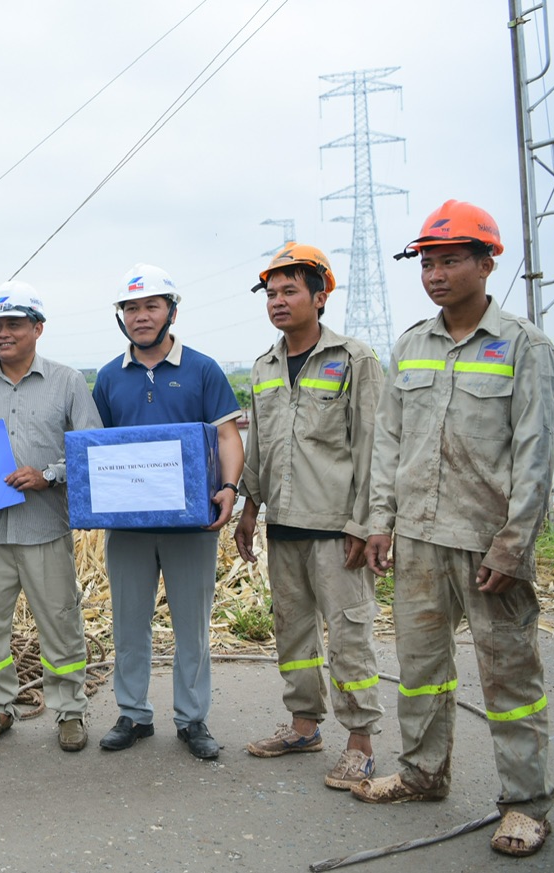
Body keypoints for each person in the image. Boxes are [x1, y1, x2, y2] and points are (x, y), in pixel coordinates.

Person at [354, 201, 554, 859]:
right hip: (416, 538)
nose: (436, 274)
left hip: (486, 541)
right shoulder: (411, 343)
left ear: (486, 262)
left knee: (508, 677)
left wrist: (513, 541)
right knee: (420, 671)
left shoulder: (524, 345)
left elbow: (534, 453)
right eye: (429, 262)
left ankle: (524, 804)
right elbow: (389, 442)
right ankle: (422, 772)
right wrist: (380, 522)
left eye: (450, 260)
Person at [233, 244, 384, 788]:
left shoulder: (355, 359)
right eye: (271, 293)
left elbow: (373, 449)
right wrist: (249, 510)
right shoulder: (264, 367)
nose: (277, 301)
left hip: (336, 527)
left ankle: (361, 742)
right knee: (292, 634)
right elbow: (261, 447)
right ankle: (303, 725)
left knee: (349, 635)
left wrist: (365, 524)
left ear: (320, 297)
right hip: (284, 525)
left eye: (290, 291)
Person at [91, 263, 243, 759]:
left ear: (171, 311)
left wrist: (229, 486)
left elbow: (227, 435)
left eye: (151, 306)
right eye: (131, 308)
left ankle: (192, 719)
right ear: (122, 317)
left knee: (192, 626)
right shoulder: (110, 377)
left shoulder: (202, 369)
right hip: (130, 528)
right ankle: (133, 714)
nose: (141, 316)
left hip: (192, 524)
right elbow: (100, 449)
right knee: (129, 622)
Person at [0, 282, 103, 751]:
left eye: (14, 323)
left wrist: (49, 474)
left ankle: (69, 712)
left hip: (44, 529)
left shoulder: (68, 381)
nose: (3, 333)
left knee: (59, 621)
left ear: (37, 328)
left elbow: (88, 447)